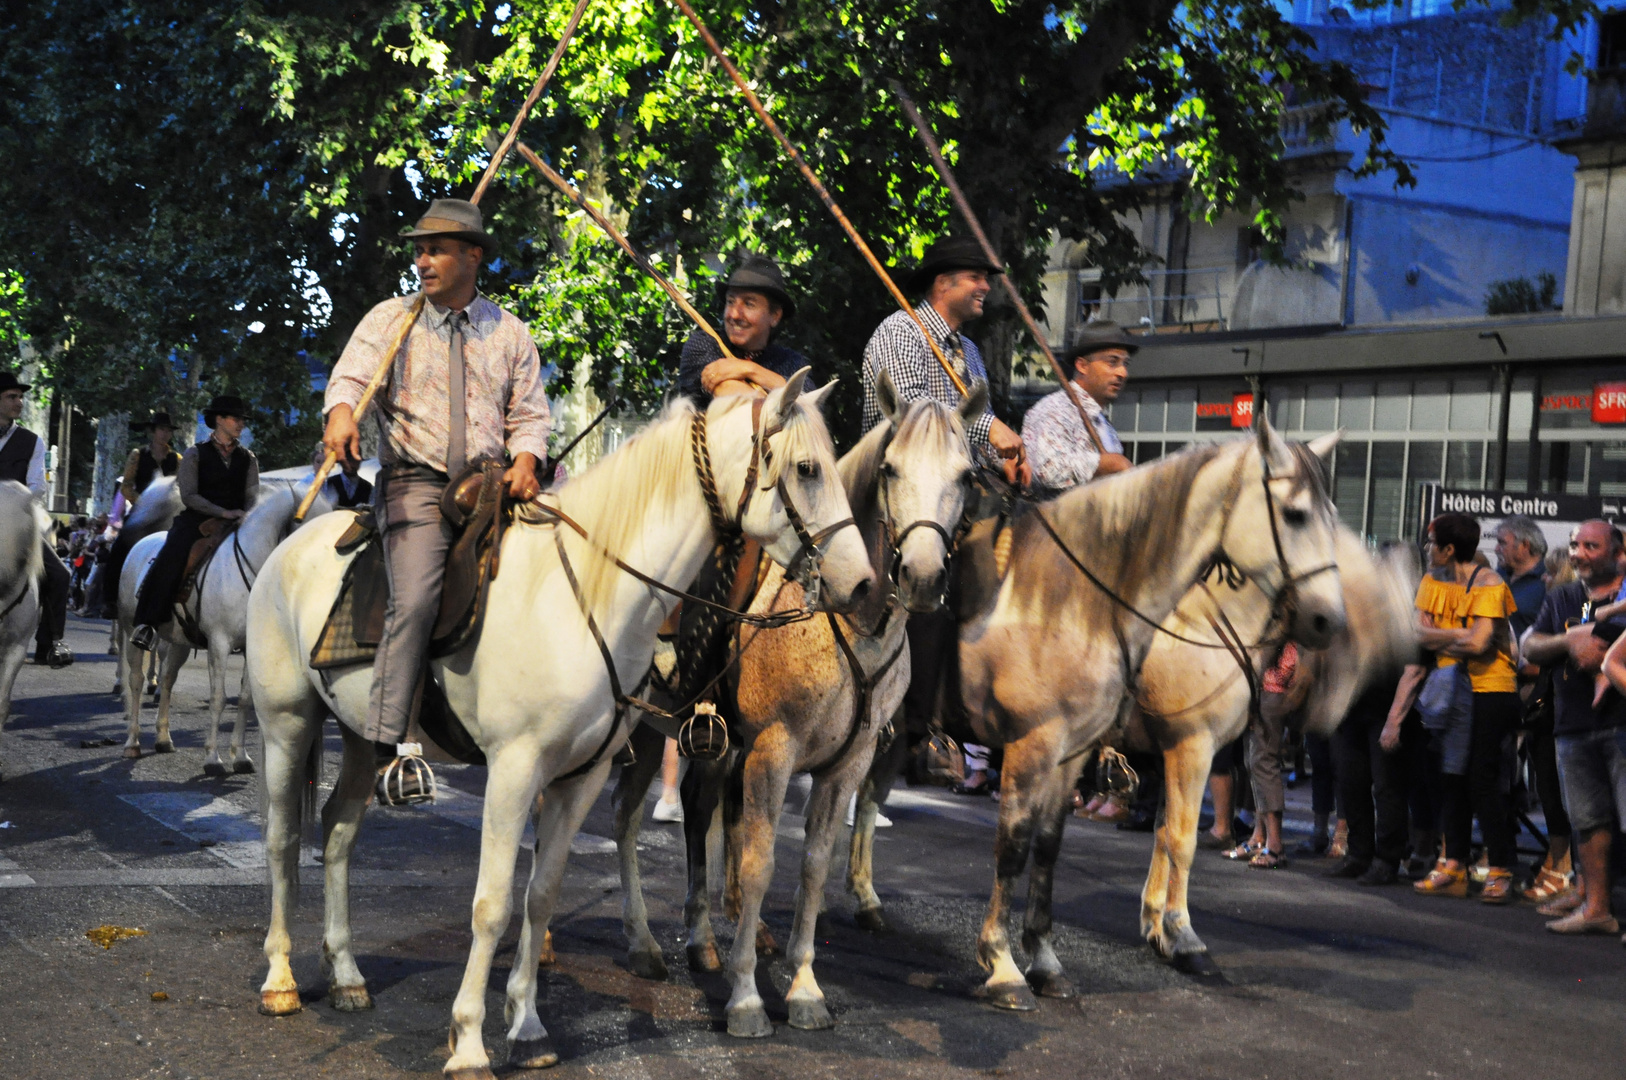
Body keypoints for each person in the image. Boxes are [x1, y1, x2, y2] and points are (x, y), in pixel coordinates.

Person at [322, 198, 550, 797]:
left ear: (472, 256)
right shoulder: (390, 319)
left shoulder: (510, 331)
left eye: (435, 250)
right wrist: (342, 415)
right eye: (418, 250)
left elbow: (529, 415)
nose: (422, 260)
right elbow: (348, 381)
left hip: (491, 486)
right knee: (418, 597)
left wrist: (527, 459)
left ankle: (579, 720)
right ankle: (388, 745)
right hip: (416, 485)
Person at [1388, 512, 1521, 902]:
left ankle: (1500, 869)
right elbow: (1418, 634)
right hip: (1451, 692)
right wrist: (1462, 632)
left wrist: (1440, 637)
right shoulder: (1432, 582)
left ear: (1448, 549)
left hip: (1490, 691)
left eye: (1432, 544)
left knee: (1481, 780)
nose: (1427, 550)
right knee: (1449, 779)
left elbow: (1480, 645)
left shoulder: (1489, 582)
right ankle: (1454, 866)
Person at [1525, 519, 1626, 936]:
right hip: (1572, 725)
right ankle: (1596, 908)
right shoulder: (1562, 595)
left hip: (1622, 723)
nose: (1579, 553)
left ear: (1618, 553)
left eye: (1591, 546)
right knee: (1587, 821)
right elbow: (1528, 647)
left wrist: (1599, 648)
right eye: (1574, 545)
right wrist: (1570, 641)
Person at [861, 236, 1026, 485]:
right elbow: (910, 411)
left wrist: (1002, 459)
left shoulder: (969, 350)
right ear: (943, 284)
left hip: (954, 488)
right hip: (896, 488)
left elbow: (977, 436)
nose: (986, 286)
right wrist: (989, 426)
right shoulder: (901, 329)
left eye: (985, 278)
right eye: (975, 277)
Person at [130, 395, 259, 649]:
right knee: (172, 556)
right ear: (219, 420)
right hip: (197, 520)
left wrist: (247, 513)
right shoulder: (194, 454)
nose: (241, 423)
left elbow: (253, 495)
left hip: (238, 521)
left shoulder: (249, 458)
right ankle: (148, 623)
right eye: (236, 418)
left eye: (243, 419)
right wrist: (223, 512)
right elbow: (189, 496)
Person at [0, 371, 73, 668]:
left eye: (20, 397)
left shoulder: (32, 441)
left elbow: (38, 486)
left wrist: (16, 507)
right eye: (11, 397)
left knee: (60, 575)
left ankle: (51, 642)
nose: (19, 402)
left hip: (16, 522)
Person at [1021, 320, 1135, 495]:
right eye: (1112, 362)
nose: (1122, 373)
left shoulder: (1105, 426)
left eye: (1125, 364)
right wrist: (1101, 465)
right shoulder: (1054, 409)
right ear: (1082, 366)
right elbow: (1045, 470)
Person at [678, 254, 809, 404]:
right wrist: (781, 392)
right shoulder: (705, 345)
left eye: (749, 304)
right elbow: (730, 392)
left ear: (775, 316)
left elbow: (809, 401)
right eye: (731, 302)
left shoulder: (791, 362)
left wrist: (749, 369)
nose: (734, 314)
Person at [99, 412, 182, 619]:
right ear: (152, 431)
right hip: (141, 511)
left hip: (168, 514)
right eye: (162, 429)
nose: (165, 434)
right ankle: (110, 600)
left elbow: (181, 486)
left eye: (169, 430)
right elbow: (126, 486)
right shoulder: (138, 455)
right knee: (119, 548)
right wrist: (143, 501)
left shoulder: (177, 459)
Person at [312, 442, 373, 509]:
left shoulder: (368, 487)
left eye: (355, 460)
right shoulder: (330, 483)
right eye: (348, 459)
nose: (351, 464)